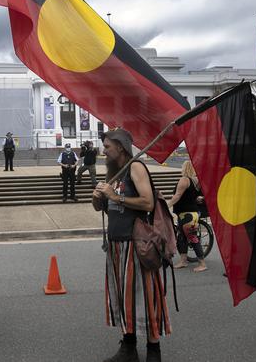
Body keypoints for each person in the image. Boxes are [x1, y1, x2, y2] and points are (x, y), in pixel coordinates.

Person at [93, 128, 169, 362]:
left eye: (107, 147)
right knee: (124, 298)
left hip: (136, 245)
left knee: (145, 298)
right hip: (116, 247)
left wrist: (115, 197)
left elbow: (147, 202)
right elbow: (104, 208)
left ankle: (153, 350)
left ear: (121, 147)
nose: (103, 151)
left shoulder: (135, 167)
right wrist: (98, 198)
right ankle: (129, 348)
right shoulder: (114, 173)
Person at [167, 160, 207, 272]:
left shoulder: (185, 180)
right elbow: (195, 196)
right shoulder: (196, 181)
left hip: (187, 214)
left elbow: (178, 195)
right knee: (182, 238)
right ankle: (183, 261)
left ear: (185, 168)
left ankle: (202, 263)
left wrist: (167, 205)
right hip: (187, 213)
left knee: (192, 238)